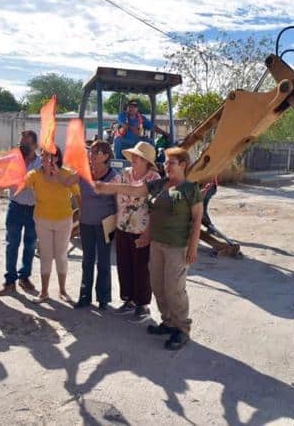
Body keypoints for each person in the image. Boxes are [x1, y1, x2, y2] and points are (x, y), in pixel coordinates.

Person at [95, 147, 203, 350]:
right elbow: (135, 191)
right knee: (157, 285)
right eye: (165, 162)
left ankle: (182, 329)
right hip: (157, 244)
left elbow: (197, 218)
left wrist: (193, 246)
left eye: (171, 162)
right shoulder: (160, 184)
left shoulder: (190, 189)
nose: (166, 165)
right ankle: (168, 322)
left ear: (182, 165)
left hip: (177, 246)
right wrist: (105, 187)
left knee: (174, 289)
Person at [19, 147, 79, 303]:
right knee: (45, 256)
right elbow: (21, 184)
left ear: (57, 158)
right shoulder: (35, 174)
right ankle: (44, 292)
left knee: (61, 256)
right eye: (44, 156)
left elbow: (78, 194)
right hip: (42, 220)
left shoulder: (66, 174)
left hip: (64, 220)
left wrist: (83, 215)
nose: (47, 159)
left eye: (51, 156)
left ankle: (63, 291)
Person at [0, 131, 41, 296]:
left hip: (34, 209)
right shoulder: (14, 158)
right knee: (12, 245)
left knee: (30, 245)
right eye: (21, 141)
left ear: (34, 145)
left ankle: (24, 277)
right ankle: (10, 281)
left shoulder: (41, 163)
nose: (21, 145)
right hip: (15, 207)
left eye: (25, 142)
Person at [113, 141, 160, 317]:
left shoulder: (154, 180)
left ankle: (142, 304)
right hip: (122, 226)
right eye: (133, 155)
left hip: (142, 229)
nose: (133, 158)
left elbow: (155, 208)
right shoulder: (124, 174)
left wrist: (149, 232)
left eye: (138, 157)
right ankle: (128, 299)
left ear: (147, 161)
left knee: (141, 267)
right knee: (124, 264)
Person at [74, 140, 117, 310]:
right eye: (90, 151)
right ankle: (85, 297)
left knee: (104, 261)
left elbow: (117, 203)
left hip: (105, 225)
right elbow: (67, 181)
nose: (91, 154)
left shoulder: (114, 177)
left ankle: (103, 298)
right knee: (87, 260)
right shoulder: (83, 173)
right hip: (86, 223)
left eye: (95, 152)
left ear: (106, 156)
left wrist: (118, 226)